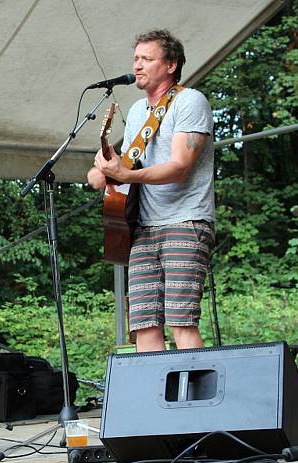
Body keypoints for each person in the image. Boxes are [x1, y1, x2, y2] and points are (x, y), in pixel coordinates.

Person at [87, 29, 215, 353]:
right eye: (136, 59)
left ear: (171, 64)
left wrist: (126, 172)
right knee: (144, 326)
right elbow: (128, 165)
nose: (138, 65)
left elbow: (179, 166)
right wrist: (105, 173)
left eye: (147, 58)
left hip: (185, 222)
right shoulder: (136, 113)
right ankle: (155, 402)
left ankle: (196, 403)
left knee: (182, 321)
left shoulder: (190, 101)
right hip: (143, 228)